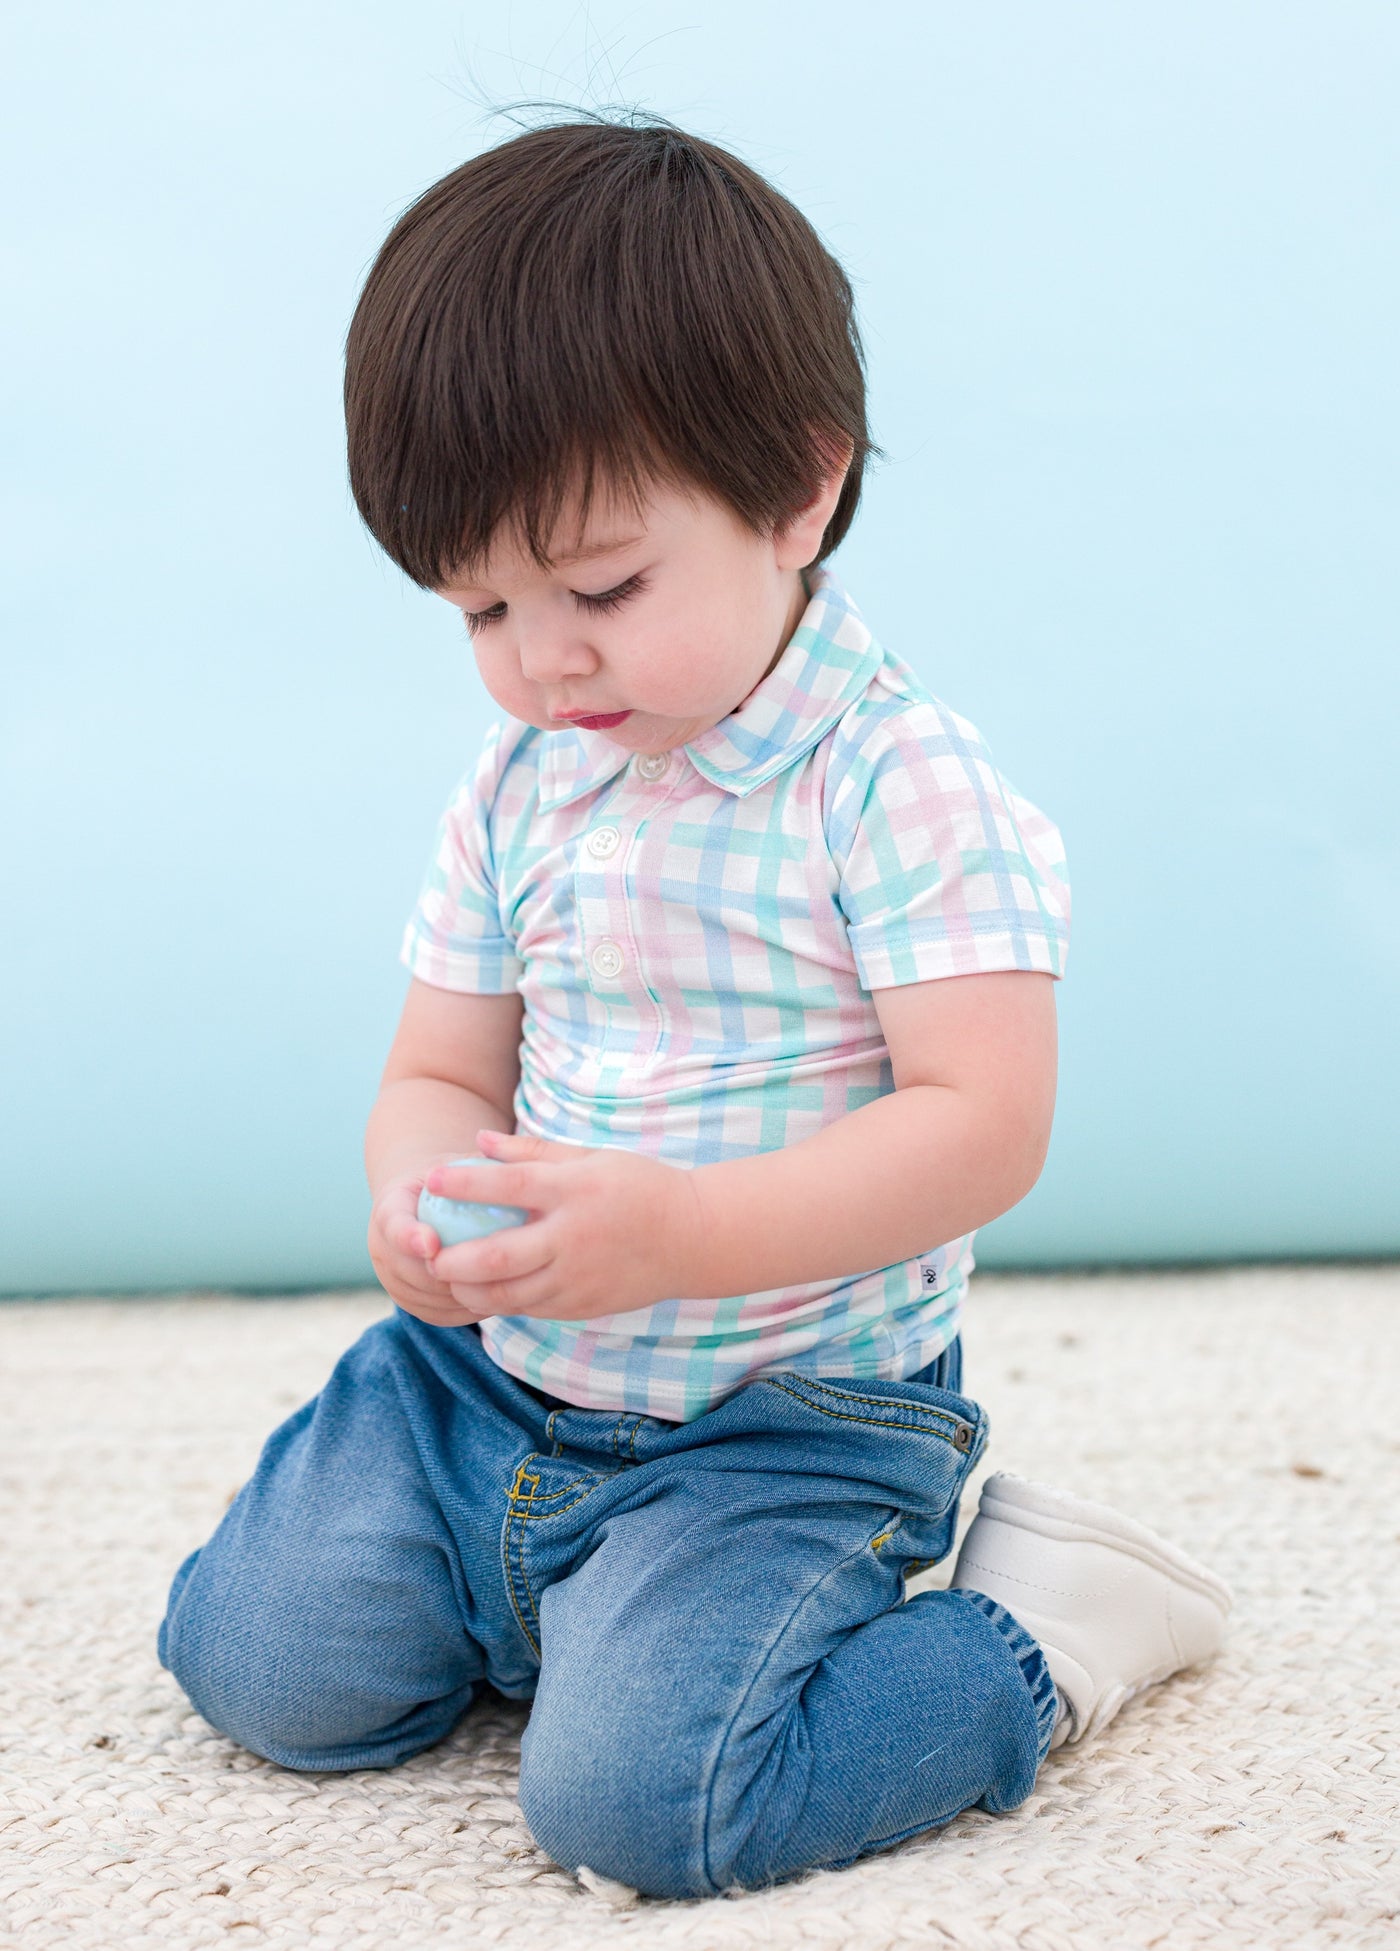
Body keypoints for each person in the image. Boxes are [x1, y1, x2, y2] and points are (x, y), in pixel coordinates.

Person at [157, 117, 1231, 1900]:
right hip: (490, 1395)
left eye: (598, 589)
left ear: (799, 494)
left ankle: (1033, 1632)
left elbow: (987, 1121)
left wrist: (684, 1235)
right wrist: (418, 1199)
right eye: (479, 605)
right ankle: (581, 1613)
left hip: (785, 1426)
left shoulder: (898, 784)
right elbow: (439, 1065)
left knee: (648, 1809)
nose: (538, 660)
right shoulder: (523, 779)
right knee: (259, 1668)